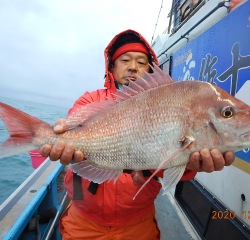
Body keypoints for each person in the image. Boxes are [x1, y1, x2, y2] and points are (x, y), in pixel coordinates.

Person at [40, 30, 235, 240]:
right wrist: (63, 136)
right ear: (111, 67)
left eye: (142, 62)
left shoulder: (162, 101)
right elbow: (75, 123)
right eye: (124, 60)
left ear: (150, 71)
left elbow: (168, 158)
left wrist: (188, 165)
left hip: (136, 221)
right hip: (83, 217)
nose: (133, 66)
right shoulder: (90, 100)